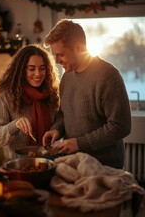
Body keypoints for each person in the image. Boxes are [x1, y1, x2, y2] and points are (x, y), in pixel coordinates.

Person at [42, 19, 131, 168]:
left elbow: (121, 125)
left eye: (61, 54)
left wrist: (79, 143)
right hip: (74, 164)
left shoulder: (108, 76)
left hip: (104, 167)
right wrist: (56, 129)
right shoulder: (67, 77)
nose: (56, 61)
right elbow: (64, 113)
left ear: (78, 47)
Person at [0, 44, 60, 159]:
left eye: (42, 68)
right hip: (17, 164)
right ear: (21, 70)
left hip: (48, 160)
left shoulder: (52, 93)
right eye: (32, 69)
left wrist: (56, 129)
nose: (38, 74)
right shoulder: (5, 94)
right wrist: (14, 125)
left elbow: (60, 119)